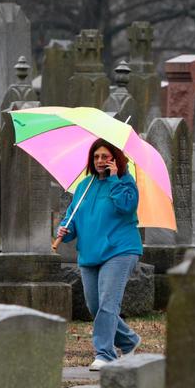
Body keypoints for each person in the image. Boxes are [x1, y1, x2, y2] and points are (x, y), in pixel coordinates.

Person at [56, 139, 143, 369]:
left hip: (120, 250)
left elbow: (127, 207)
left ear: (115, 158)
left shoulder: (126, 182)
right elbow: (72, 219)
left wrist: (114, 179)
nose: (100, 161)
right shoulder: (84, 187)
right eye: (96, 157)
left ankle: (105, 354)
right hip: (89, 253)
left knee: (107, 303)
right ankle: (129, 340)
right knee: (95, 306)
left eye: (105, 156)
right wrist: (64, 230)